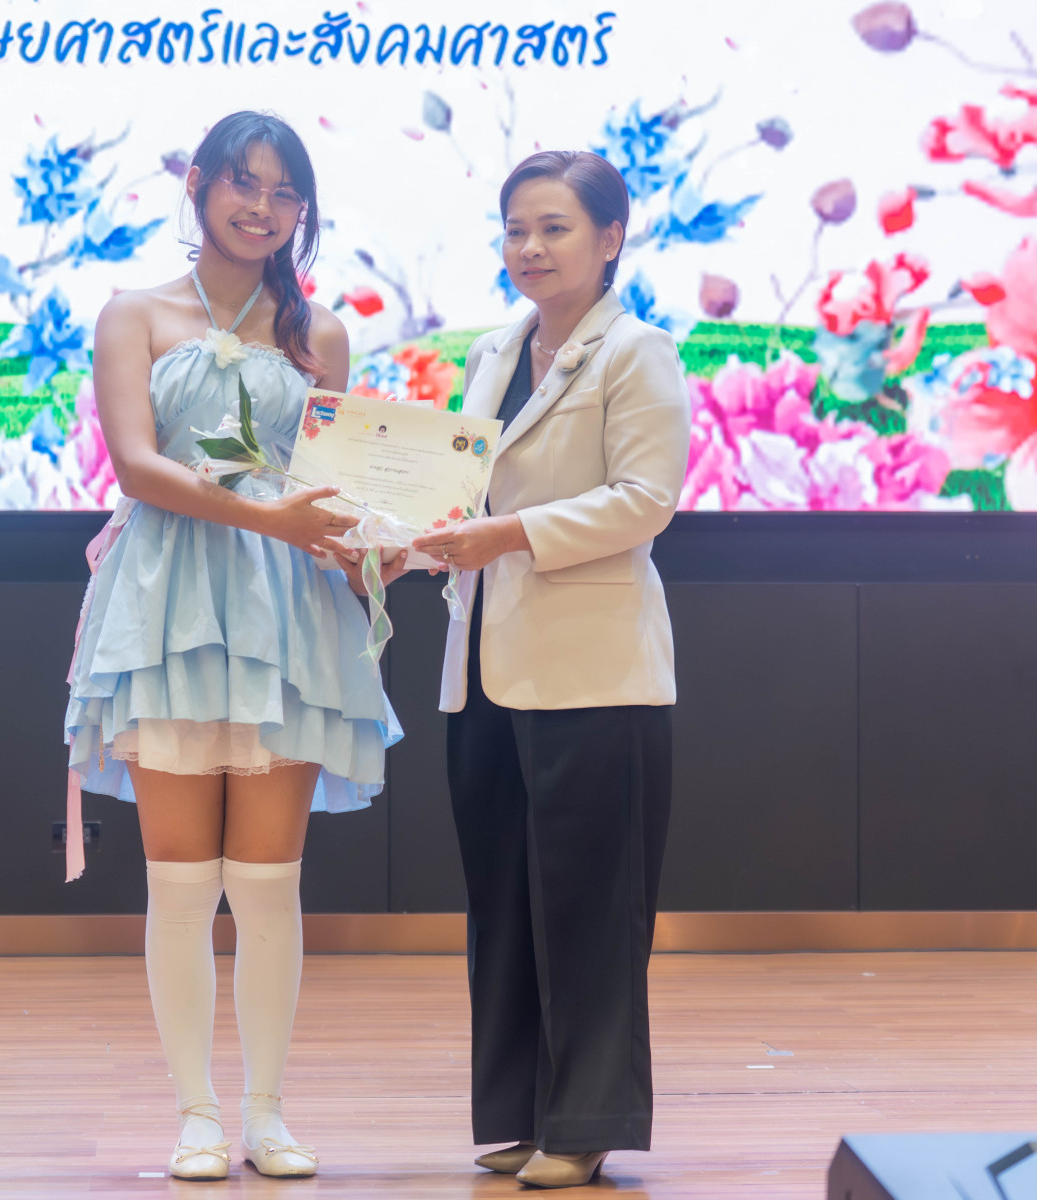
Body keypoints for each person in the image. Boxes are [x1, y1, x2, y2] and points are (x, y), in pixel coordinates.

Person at [64, 110, 399, 1181]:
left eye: (284, 192)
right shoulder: (134, 314)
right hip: (165, 606)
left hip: (285, 613)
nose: (262, 207)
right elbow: (136, 465)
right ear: (199, 184)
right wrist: (271, 518)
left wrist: (378, 543)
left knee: (267, 885)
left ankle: (267, 1112)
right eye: (244, 184)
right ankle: (196, 1114)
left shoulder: (321, 334)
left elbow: (333, 486)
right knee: (178, 885)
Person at [408, 150, 691, 1189]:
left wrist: (508, 534)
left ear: (611, 239)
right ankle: (517, 1112)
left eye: (555, 228)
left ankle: (585, 1123)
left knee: (589, 907)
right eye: (516, 229)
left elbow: (645, 501)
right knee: (503, 900)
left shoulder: (638, 352)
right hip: (483, 665)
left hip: (595, 673)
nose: (529, 247)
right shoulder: (493, 350)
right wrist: (404, 539)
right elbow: (458, 493)